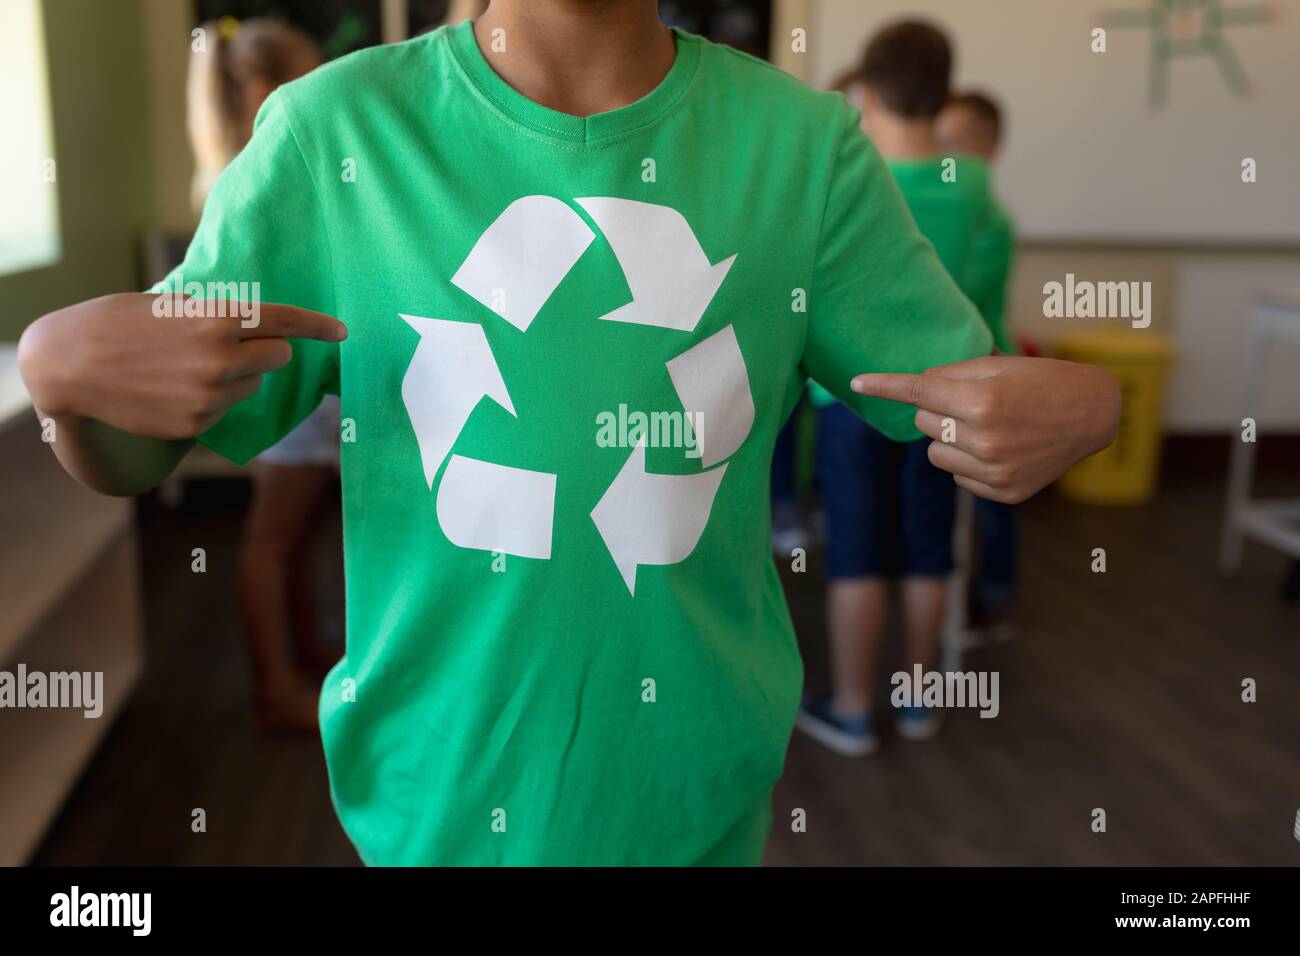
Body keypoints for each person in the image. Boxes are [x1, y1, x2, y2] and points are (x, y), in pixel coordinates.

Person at [17, 0, 1120, 865]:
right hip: (429, 798)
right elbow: (137, 450)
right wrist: (64, 386)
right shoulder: (329, 134)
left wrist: (1089, 401)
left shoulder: (806, 147)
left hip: (697, 795)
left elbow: (971, 402)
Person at [798, 21, 1001, 755]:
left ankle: (852, 708)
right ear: (946, 91)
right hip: (946, 398)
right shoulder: (971, 180)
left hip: (852, 398)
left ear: (869, 88)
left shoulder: (854, 175)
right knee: (926, 549)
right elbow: (977, 287)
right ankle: (918, 701)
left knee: (856, 551)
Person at [189, 16, 336, 731]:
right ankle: (276, 689)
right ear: (266, 91)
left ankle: (304, 657)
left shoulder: (231, 164)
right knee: (274, 536)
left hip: (299, 379)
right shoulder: (262, 170)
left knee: (292, 534)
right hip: (288, 382)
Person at [938, 90, 1020, 643]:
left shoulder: (989, 220)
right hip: (954, 377)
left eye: (954, 146)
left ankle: (994, 598)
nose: (942, 158)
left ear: (989, 151)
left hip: (987, 374)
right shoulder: (957, 208)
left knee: (991, 496)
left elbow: (959, 296)